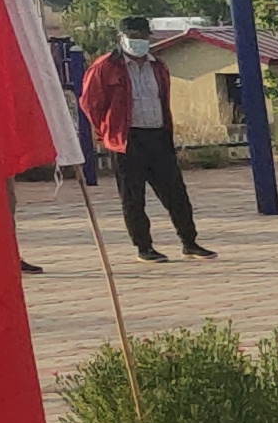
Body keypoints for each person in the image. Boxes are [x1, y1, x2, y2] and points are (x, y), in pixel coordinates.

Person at [74, 18, 213, 262]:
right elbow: (91, 103)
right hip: (127, 139)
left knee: (176, 193)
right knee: (133, 197)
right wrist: (106, 130)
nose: (139, 41)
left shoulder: (157, 65)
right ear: (121, 38)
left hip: (158, 135)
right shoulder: (105, 67)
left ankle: (189, 242)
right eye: (133, 36)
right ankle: (144, 247)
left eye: (143, 36)